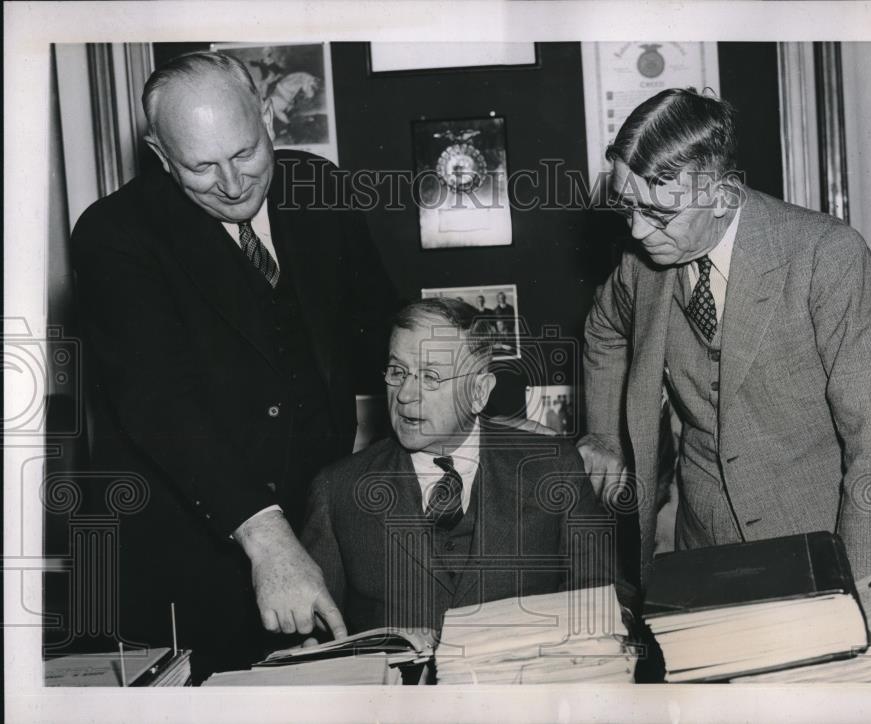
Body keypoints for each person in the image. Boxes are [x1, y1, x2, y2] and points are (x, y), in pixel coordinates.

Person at [70, 51, 396, 677]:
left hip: (312, 531)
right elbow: (160, 402)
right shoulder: (113, 235)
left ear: (269, 116)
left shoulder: (318, 188)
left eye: (245, 154)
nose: (232, 183)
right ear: (162, 156)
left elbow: (379, 330)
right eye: (200, 167)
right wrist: (266, 539)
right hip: (184, 558)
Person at [578, 88, 871, 587]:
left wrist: (864, 587)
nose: (637, 232)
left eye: (658, 214)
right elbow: (603, 330)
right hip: (703, 549)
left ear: (719, 195)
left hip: (820, 547)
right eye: (628, 207)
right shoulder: (642, 267)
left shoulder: (827, 256)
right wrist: (605, 434)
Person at [302, 299, 616, 635]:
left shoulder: (553, 468)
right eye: (397, 371)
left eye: (431, 376)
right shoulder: (337, 490)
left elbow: (601, 600)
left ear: (479, 391)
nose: (406, 394)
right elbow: (319, 638)